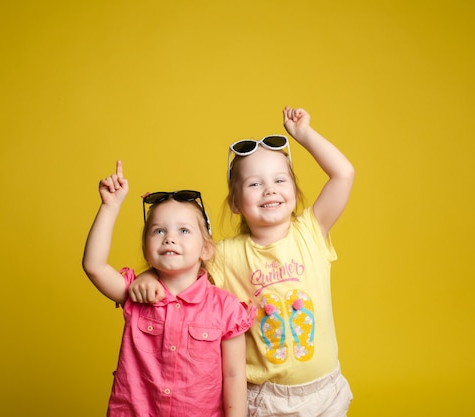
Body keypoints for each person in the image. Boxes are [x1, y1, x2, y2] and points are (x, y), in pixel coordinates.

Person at [129, 106, 355, 416]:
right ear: (236, 203)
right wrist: (149, 278)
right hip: (263, 397)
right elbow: (179, 275)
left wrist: (304, 134)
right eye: (254, 184)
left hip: (324, 391)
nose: (269, 190)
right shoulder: (225, 255)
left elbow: (344, 174)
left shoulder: (310, 233)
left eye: (279, 180)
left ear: (294, 191)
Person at [82, 160, 255, 417]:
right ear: (146, 250)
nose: (169, 238)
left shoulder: (225, 308)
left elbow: (234, 375)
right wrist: (110, 206)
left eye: (184, 230)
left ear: (205, 249)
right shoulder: (135, 293)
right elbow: (94, 266)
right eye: (159, 230)